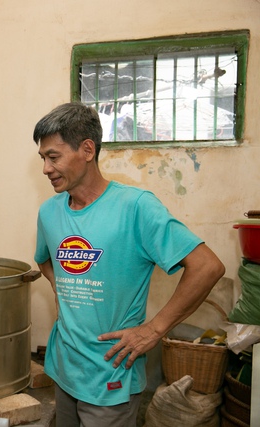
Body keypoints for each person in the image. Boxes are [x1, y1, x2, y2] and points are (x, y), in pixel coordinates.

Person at [32, 102, 225, 426]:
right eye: (43, 159)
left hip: (111, 375)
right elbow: (44, 261)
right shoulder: (49, 212)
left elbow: (207, 267)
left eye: (54, 157)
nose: (46, 168)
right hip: (64, 368)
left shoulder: (136, 208)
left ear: (87, 149)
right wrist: (62, 287)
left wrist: (154, 329)